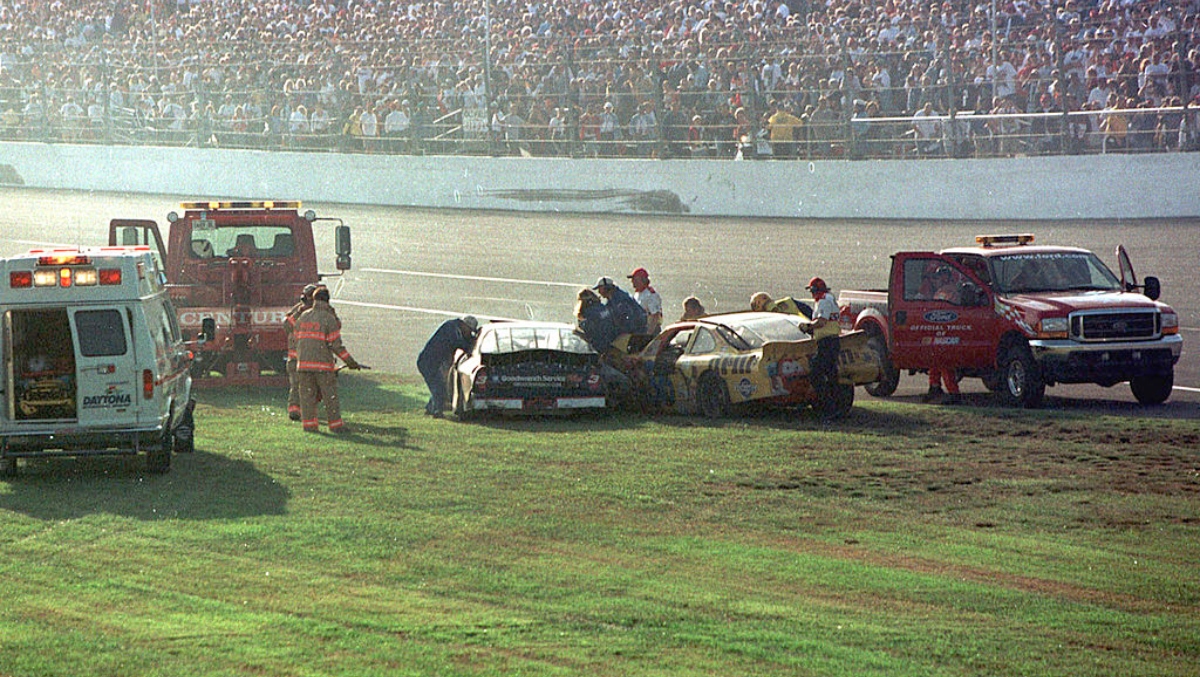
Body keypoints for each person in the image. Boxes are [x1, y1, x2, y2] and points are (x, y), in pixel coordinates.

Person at [296, 285, 361, 433]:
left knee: (307, 398)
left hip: (303, 365)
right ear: (327, 301)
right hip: (322, 366)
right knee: (330, 397)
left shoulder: (303, 317)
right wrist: (351, 362)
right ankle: (336, 426)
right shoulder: (328, 319)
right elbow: (336, 346)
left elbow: (296, 338)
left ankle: (309, 426)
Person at [417, 316, 479, 417]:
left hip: (433, 362)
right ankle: (437, 411)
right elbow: (460, 343)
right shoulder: (451, 328)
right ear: (464, 326)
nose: (469, 333)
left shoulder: (454, 327)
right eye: (469, 330)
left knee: (439, 386)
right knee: (439, 387)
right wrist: (473, 342)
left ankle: (431, 408)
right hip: (427, 362)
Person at [800, 277, 841, 416]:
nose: (811, 294)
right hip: (832, 341)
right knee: (831, 375)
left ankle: (827, 407)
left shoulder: (824, 300)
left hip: (827, 342)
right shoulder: (831, 299)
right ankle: (836, 407)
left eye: (812, 291)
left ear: (816, 290)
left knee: (816, 374)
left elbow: (822, 321)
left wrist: (808, 326)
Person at [922, 267, 962, 404]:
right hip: (938, 329)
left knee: (944, 361)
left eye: (938, 277)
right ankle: (934, 387)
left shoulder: (950, 292)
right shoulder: (940, 292)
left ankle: (954, 393)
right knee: (934, 360)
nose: (936, 280)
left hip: (948, 331)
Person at [284, 283, 318, 421]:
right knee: (296, 385)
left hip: (315, 356)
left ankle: (309, 410)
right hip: (297, 357)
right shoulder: (297, 311)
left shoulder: (322, 312)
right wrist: (300, 310)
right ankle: (294, 411)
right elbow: (287, 325)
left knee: (314, 386)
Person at [593, 277, 648, 351]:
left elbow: (626, 318)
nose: (599, 292)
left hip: (635, 332)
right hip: (634, 330)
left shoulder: (619, 299)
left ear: (607, 287)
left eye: (600, 288)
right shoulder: (613, 298)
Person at [575, 288, 619, 353]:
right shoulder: (602, 307)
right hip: (612, 340)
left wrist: (577, 331)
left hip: (600, 346)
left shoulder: (588, 312)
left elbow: (588, 332)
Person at [627, 268, 663, 335]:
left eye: (635, 279)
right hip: (639, 329)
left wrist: (648, 333)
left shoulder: (651, 295)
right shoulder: (637, 294)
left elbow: (655, 315)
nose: (632, 282)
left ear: (643, 280)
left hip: (650, 330)